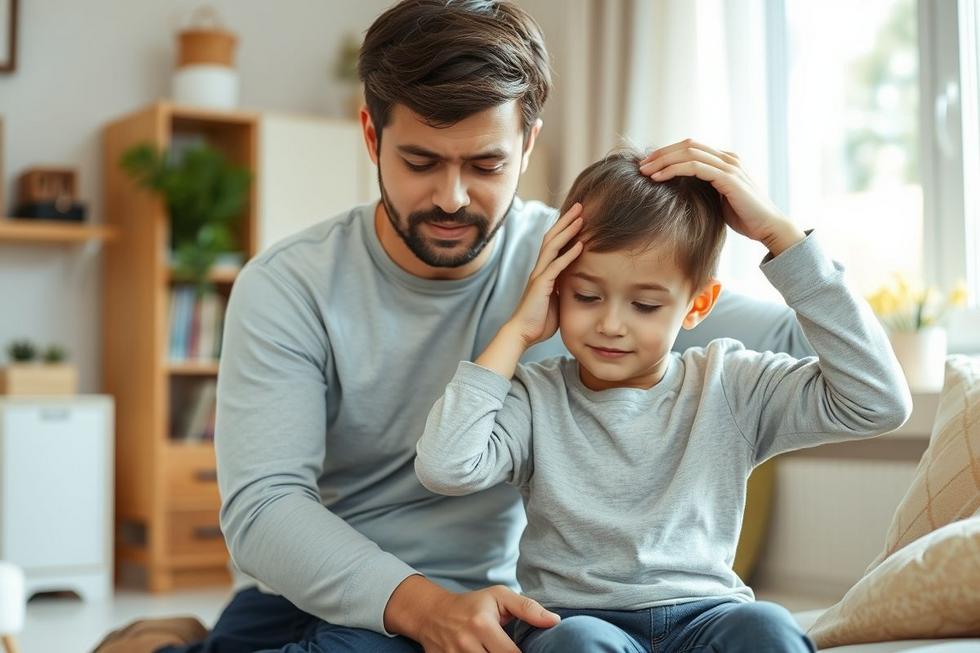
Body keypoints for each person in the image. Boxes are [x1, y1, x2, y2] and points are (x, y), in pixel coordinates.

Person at [93, 2, 812, 653]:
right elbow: (264, 507)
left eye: (486, 163)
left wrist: (777, 234)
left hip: (495, 602)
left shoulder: (583, 270)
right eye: (421, 161)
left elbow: (828, 360)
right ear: (371, 136)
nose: (452, 196)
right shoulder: (288, 285)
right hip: (321, 590)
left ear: (527, 145)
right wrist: (426, 608)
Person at [414, 145, 913, 653]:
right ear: (556, 288)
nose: (611, 324)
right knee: (580, 642)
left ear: (697, 305)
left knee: (767, 626)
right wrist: (518, 330)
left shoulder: (730, 383)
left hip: (706, 615)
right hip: (575, 620)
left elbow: (877, 401)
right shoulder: (535, 397)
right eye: (586, 296)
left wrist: (780, 236)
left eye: (645, 305)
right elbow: (445, 467)